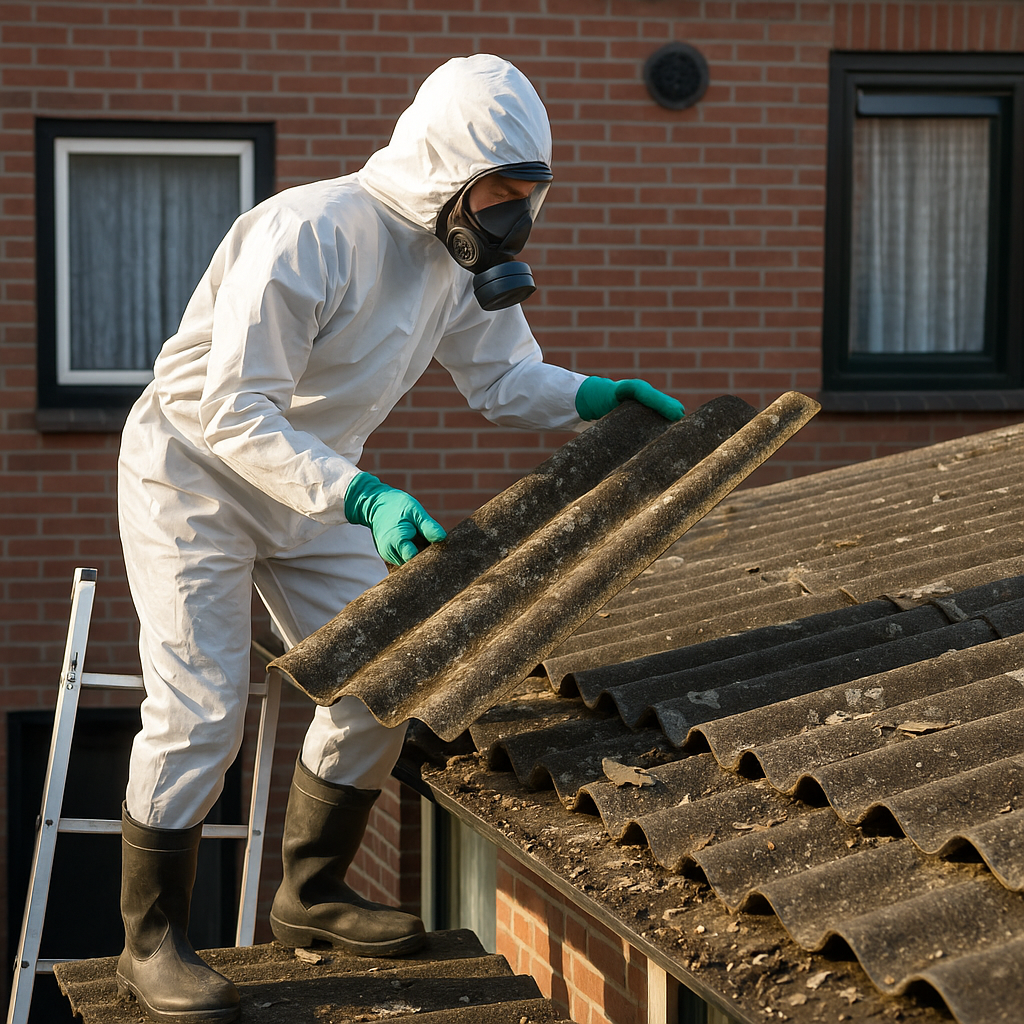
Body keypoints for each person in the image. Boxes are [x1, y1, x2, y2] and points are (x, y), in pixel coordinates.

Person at [115, 53, 683, 1023]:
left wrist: (593, 396)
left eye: (527, 198)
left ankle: (310, 893)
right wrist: (367, 496)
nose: (514, 219)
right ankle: (149, 940)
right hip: (194, 470)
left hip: (319, 481)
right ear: (446, 165)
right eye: (502, 193)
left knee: (387, 672)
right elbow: (235, 408)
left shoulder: (449, 260)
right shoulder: (308, 233)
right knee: (202, 708)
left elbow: (501, 380)